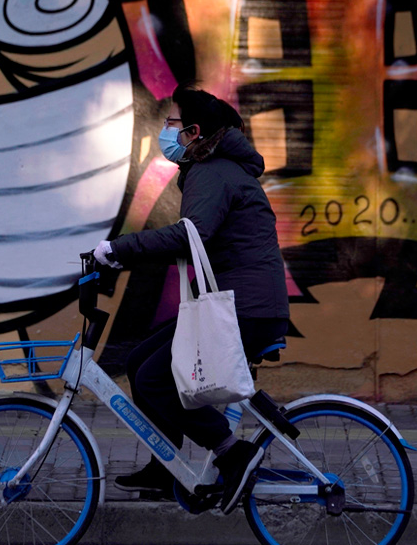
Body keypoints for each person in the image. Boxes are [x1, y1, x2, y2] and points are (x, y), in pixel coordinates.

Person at [93, 85, 289, 515]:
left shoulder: (211, 171)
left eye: (172, 123)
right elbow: (198, 243)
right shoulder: (215, 168)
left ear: (194, 132)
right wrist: (127, 258)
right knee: (139, 362)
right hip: (241, 304)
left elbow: (190, 235)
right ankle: (166, 466)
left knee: (154, 378)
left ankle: (232, 453)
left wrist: (119, 248)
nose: (166, 130)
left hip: (246, 309)